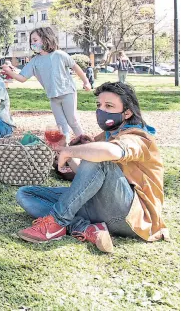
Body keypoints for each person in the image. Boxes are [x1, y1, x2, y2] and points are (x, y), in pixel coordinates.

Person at [15, 82, 167, 253]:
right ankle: (87, 229)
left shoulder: (139, 137)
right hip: (101, 208)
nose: (101, 110)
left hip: (131, 216)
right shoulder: (109, 135)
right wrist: (63, 150)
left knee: (100, 156)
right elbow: (88, 178)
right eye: (99, 105)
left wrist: (70, 151)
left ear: (127, 113)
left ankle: (56, 223)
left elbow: (108, 153)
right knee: (26, 194)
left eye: (109, 106)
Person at [1, 27, 91, 143]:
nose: (32, 43)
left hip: (68, 93)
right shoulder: (34, 61)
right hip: (53, 97)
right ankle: (65, 148)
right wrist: (9, 72)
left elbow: (75, 67)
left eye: (35, 40)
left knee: (72, 121)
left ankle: (85, 144)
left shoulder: (59, 55)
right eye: (31, 41)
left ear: (45, 39)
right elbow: (22, 78)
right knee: (61, 124)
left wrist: (86, 81)